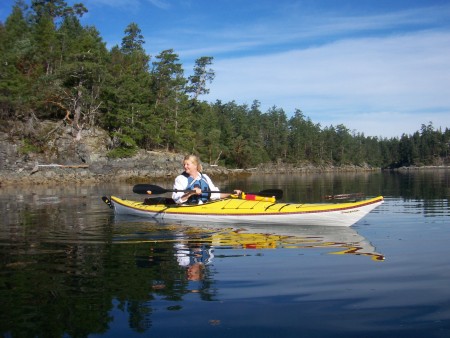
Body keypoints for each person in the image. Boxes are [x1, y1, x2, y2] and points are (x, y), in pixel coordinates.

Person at [172, 154, 241, 204]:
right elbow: (177, 200)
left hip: (205, 206)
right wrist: (191, 193)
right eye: (184, 164)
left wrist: (231, 193)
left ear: (195, 165)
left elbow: (216, 195)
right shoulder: (180, 179)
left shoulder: (205, 177)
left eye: (187, 164)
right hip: (187, 208)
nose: (185, 166)